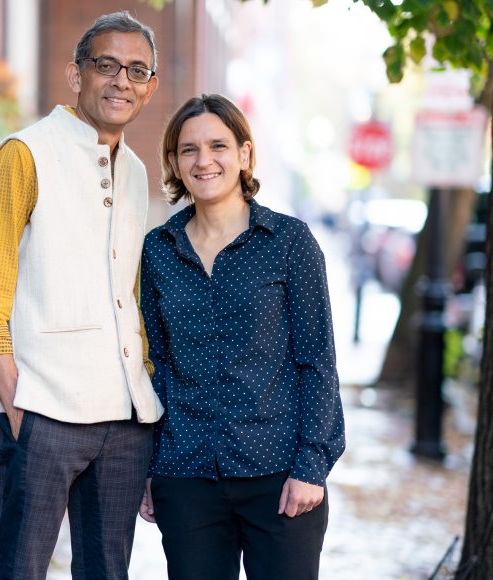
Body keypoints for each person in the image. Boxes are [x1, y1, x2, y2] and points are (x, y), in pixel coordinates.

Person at [0, 11, 163, 580]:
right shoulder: (23, 154)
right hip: (42, 411)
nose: (122, 80)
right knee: (20, 570)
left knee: (107, 573)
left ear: (151, 87)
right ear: (76, 74)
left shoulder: (139, 173)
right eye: (107, 65)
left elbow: (131, 299)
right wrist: (18, 406)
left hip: (125, 421)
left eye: (137, 70)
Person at [137, 94, 346, 579]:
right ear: (173, 162)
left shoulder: (290, 242)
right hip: (185, 474)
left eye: (218, 145)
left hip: (278, 472)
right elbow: (158, 363)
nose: (204, 160)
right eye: (188, 150)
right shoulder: (158, 250)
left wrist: (311, 467)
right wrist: (152, 465)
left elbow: (317, 360)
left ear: (245, 155)